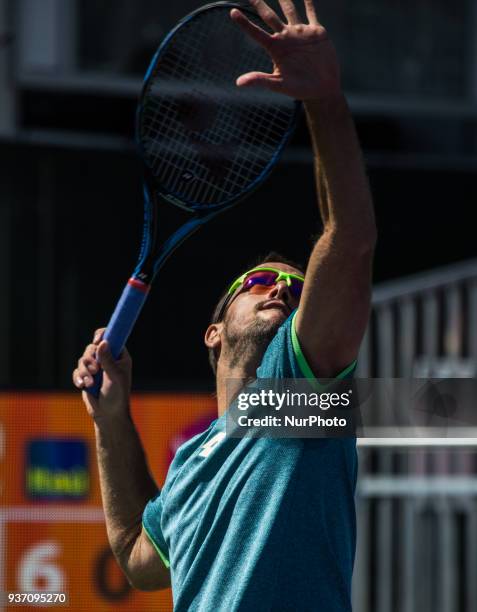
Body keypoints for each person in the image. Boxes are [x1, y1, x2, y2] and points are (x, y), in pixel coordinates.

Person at [73, 0, 376, 609]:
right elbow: (136, 553)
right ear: (213, 333)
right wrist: (110, 419)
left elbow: (348, 237)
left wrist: (324, 100)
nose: (283, 289)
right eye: (263, 280)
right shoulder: (191, 462)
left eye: (295, 288)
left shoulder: (296, 394)